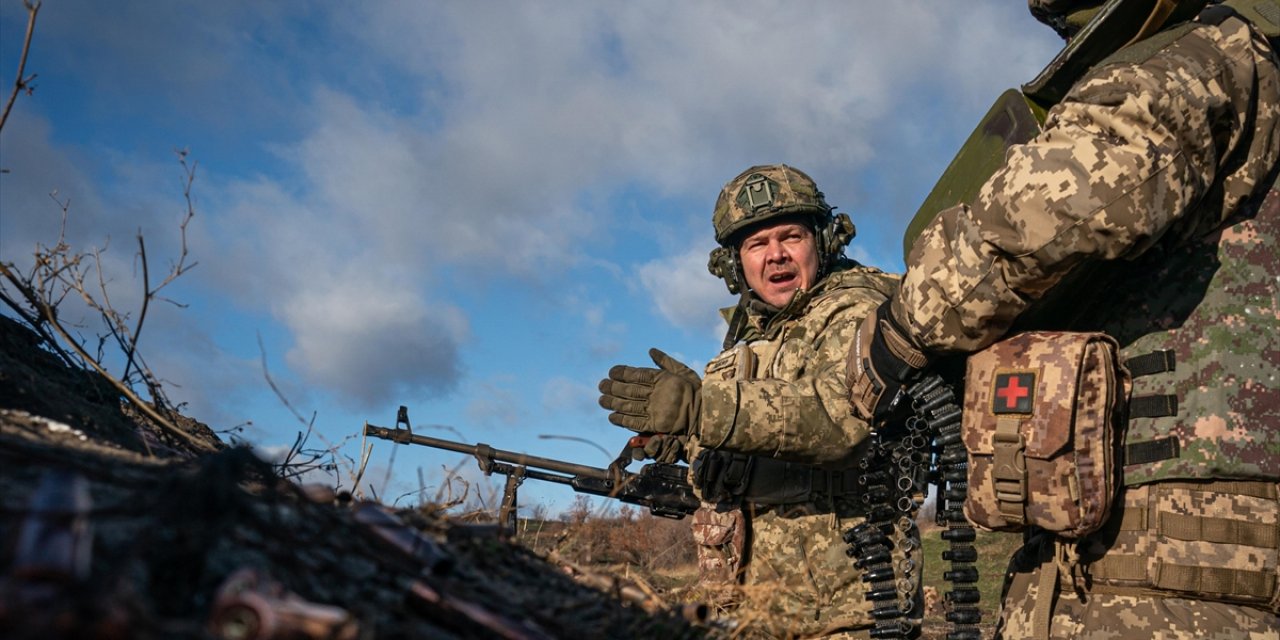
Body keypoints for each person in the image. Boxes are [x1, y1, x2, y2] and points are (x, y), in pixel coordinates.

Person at [845, 0, 1280, 638]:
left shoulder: (1209, 45)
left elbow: (1074, 194)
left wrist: (904, 327)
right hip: (1122, 557)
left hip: (1164, 566)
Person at [598, 165, 917, 638]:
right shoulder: (753, 336)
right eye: (756, 245)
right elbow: (763, 439)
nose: (776, 256)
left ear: (823, 242)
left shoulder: (854, 309)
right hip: (757, 603)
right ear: (734, 265)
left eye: (790, 237)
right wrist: (687, 441)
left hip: (847, 605)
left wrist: (702, 408)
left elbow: (842, 418)